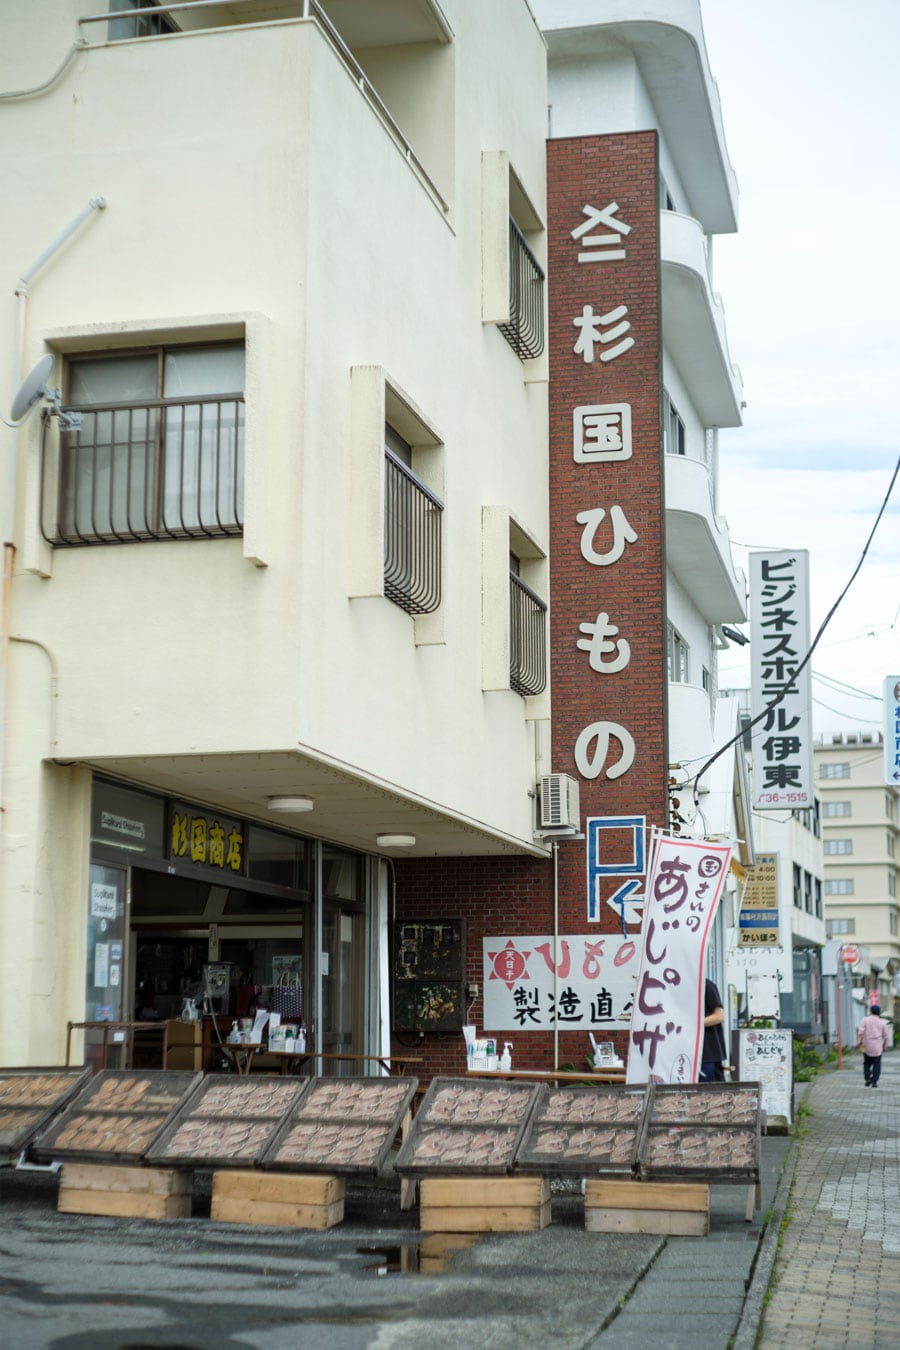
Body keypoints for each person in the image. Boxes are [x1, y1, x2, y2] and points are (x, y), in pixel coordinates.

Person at [699, 978, 727, 1082]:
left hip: (708, 1054)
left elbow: (719, 1016)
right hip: (686, 1055)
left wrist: (694, 1024)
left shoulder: (706, 985)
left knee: (711, 1095)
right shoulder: (675, 987)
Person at [857, 1004, 889, 1087]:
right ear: (879, 1012)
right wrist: (885, 1046)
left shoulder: (865, 1020)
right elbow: (886, 1037)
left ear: (870, 1011)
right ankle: (874, 1082)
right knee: (877, 1064)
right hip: (878, 1048)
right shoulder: (882, 1023)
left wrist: (858, 1042)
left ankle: (867, 1079)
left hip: (867, 1046)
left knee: (866, 1063)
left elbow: (860, 1032)